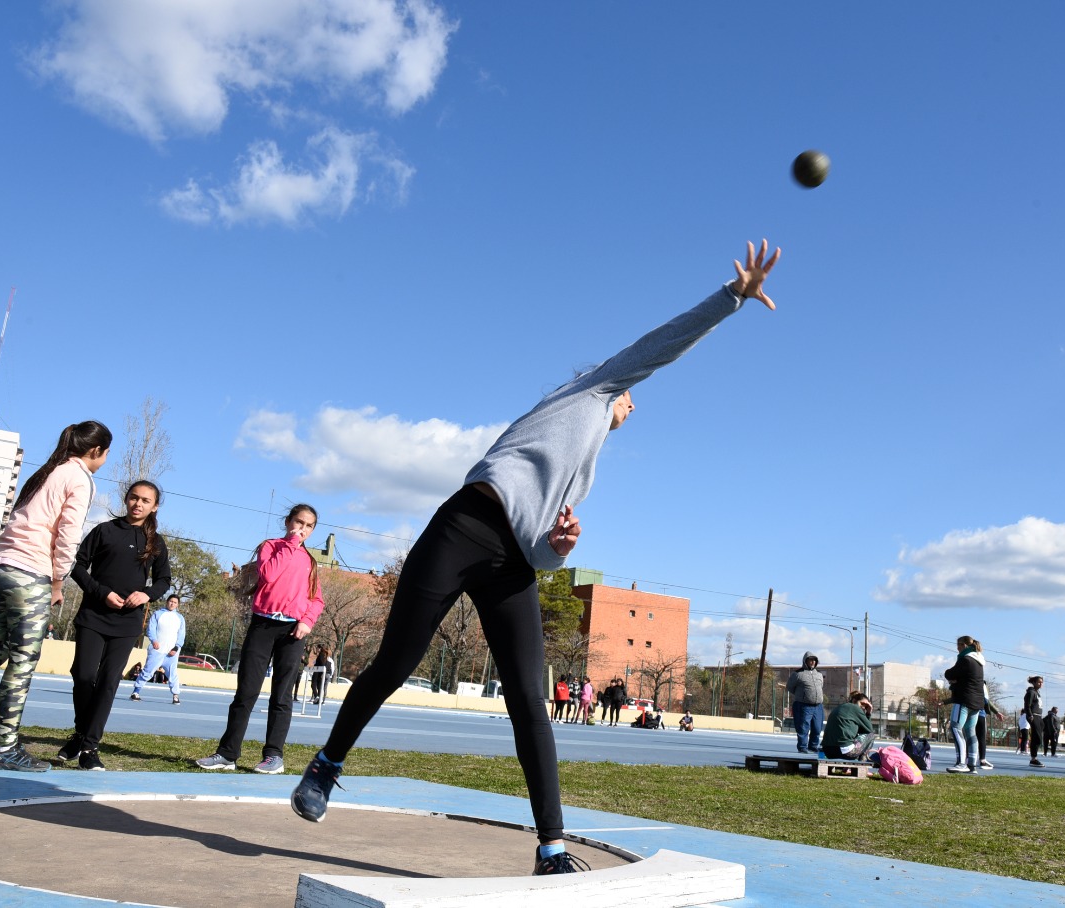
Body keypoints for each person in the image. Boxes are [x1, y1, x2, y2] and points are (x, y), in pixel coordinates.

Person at [289, 240, 782, 877]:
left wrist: (556, 549)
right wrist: (729, 300)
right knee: (395, 662)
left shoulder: (583, 477)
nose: (635, 406)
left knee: (529, 699)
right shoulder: (589, 393)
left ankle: (551, 847)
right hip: (462, 527)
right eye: (633, 398)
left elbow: (540, 551)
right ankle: (328, 765)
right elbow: (658, 346)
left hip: (510, 565)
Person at [0, 421, 110, 772]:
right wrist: (57, 583)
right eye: (105, 454)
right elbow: (68, 536)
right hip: (28, 574)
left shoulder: (47, 471)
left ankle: (7, 743)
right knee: (21, 663)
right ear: (96, 451)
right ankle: (5, 749)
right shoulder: (80, 478)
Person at [197, 503, 325, 774]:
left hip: (293, 633)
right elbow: (268, 574)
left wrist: (307, 621)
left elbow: (317, 599)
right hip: (263, 625)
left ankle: (273, 756)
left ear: (313, 530)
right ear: (288, 521)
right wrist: (290, 544)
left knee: (282, 696)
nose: (301, 529)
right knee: (246, 692)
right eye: (298, 522)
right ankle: (227, 754)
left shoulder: (310, 563)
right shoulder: (270, 547)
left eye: (308, 526)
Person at [55, 481, 171, 771]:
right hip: (93, 616)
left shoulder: (156, 542)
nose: (138, 504)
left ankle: (89, 747)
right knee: (83, 676)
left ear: (154, 506)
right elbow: (78, 566)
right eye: (134, 497)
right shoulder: (104, 530)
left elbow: (163, 581)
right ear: (127, 499)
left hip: (128, 623)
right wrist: (101, 593)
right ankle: (81, 734)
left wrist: (146, 594)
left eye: (146, 500)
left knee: (108, 681)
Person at [130, 594, 185, 705]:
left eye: (175, 602)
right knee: (147, 671)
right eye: (171, 601)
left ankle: (175, 695)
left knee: (172, 674)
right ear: (167, 601)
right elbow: (151, 629)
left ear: (177, 605)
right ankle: (136, 692)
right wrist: (154, 640)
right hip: (157, 650)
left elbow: (181, 635)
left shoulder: (180, 618)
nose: (172, 604)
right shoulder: (158, 614)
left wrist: (176, 647)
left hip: (172, 653)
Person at [944, 636, 985, 774]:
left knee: (955, 728)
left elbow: (949, 673)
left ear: (966, 645)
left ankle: (961, 763)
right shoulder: (979, 661)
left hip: (964, 700)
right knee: (970, 732)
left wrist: (955, 680)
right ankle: (972, 765)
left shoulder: (965, 659)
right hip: (977, 703)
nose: (957, 648)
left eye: (959, 645)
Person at [786, 651, 825, 754]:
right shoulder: (798, 674)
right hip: (803, 706)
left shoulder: (819, 674)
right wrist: (802, 695)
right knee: (803, 728)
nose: (812, 662)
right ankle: (802, 747)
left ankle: (813, 746)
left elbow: (820, 687)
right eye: (810, 660)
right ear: (805, 661)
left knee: (817, 728)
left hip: (818, 706)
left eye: (814, 660)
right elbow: (790, 687)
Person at [819, 691, 875, 761]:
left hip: (828, 752)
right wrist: (868, 714)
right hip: (845, 752)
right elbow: (869, 730)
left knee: (853, 739)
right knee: (871, 735)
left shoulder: (840, 707)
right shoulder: (855, 708)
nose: (863, 707)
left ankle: (846, 767)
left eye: (866, 707)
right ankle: (862, 762)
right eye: (862, 704)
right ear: (854, 701)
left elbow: (861, 730)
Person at [1023, 676, 1045, 768]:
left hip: (1039, 717)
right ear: (1034, 682)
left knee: (1038, 738)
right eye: (1039, 682)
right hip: (1034, 716)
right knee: (1037, 738)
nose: (1041, 684)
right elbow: (1027, 705)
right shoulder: (1031, 692)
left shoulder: (1037, 693)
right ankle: (1033, 759)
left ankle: (1034, 758)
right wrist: (1030, 715)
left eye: (1042, 682)